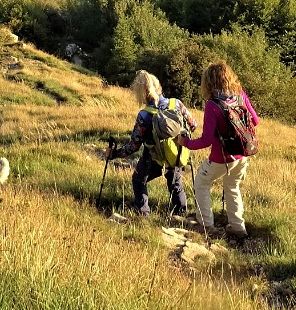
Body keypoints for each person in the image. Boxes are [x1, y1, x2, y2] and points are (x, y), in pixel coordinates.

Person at [183, 61, 259, 239]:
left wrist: (185, 142)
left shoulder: (213, 105)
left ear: (209, 82)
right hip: (243, 154)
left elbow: (206, 140)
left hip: (221, 158)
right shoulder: (240, 95)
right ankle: (238, 228)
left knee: (201, 183)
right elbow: (255, 121)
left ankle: (206, 225)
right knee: (232, 187)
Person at [106, 70, 197, 218]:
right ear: (159, 87)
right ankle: (180, 215)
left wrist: (114, 154)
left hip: (153, 158)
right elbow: (194, 125)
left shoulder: (144, 115)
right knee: (175, 182)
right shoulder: (177, 104)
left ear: (142, 93)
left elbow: (133, 146)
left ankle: (143, 214)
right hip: (177, 154)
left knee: (138, 179)